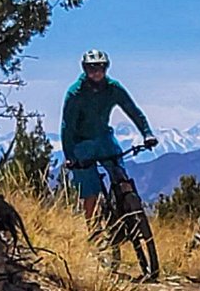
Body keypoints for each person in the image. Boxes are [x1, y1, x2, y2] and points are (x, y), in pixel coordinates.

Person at [61, 48, 158, 221]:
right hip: (82, 144)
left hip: (104, 138)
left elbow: (133, 111)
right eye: (92, 68)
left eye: (100, 68)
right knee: (90, 190)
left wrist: (147, 134)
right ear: (85, 69)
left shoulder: (113, 88)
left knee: (120, 175)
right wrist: (70, 156)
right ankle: (93, 229)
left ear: (106, 68)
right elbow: (67, 127)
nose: (96, 72)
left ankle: (129, 212)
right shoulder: (75, 93)